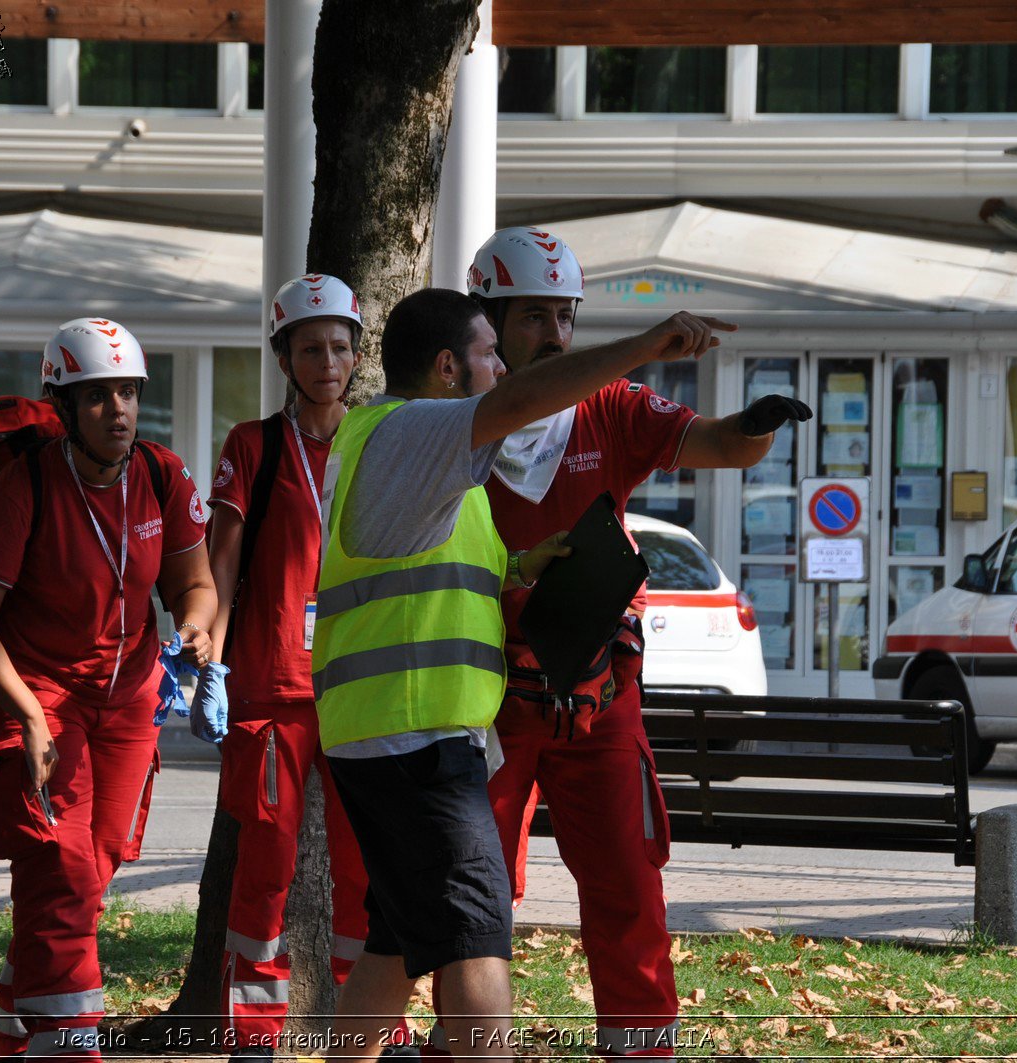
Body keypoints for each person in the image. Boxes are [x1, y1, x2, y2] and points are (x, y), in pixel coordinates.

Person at [418, 228, 810, 1059]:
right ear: (486, 322)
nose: (557, 334)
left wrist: (761, 422)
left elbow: (720, 444)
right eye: (533, 317)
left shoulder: (613, 408)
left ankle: (640, 1048)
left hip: (599, 693)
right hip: (487, 697)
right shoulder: (451, 428)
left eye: (566, 315)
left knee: (629, 885)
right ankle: (462, 1045)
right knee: (476, 894)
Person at [314, 287, 733, 1062]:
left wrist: (519, 563)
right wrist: (642, 347)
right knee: (477, 945)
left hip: (393, 735)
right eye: (490, 355)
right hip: (418, 739)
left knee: (398, 948)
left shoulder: (399, 443)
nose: (504, 370)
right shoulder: (416, 431)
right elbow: (533, 396)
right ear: (447, 369)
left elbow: (431, 563)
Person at [0, 317, 217, 1059]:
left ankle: (14, 1033)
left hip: (126, 702)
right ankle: (72, 1045)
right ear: (62, 406)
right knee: (61, 871)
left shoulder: (162, 474)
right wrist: (29, 714)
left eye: (128, 392)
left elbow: (196, 583)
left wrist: (195, 628)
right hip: (33, 693)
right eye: (97, 396)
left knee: (90, 875)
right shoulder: (23, 486)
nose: (119, 410)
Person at [194, 275, 410, 1059]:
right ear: (285, 356)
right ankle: (253, 1035)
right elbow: (221, 564)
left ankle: (378, 1029)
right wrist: (209, 662)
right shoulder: (252, 446)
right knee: (265, 870)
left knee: (371, 870)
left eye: (341, 346)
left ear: (358, 355)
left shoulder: (379, 437)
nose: (328, 360)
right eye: (311, 347)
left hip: (363, 688)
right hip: (274, 691)